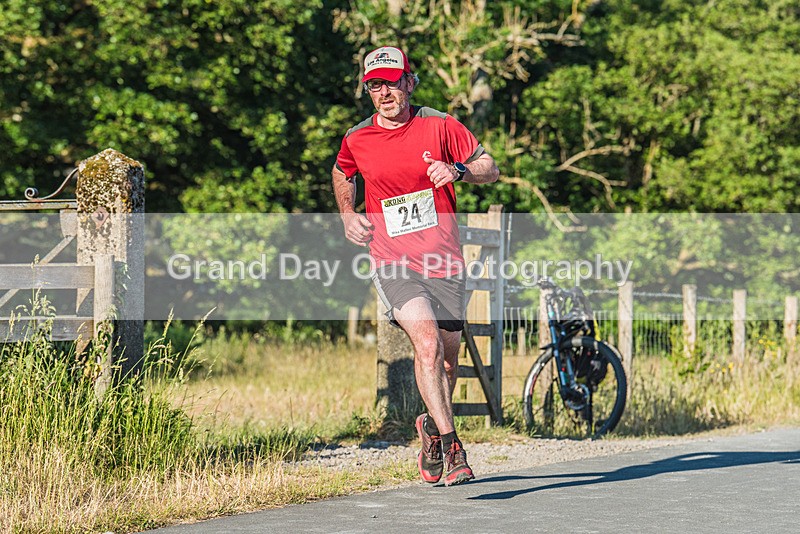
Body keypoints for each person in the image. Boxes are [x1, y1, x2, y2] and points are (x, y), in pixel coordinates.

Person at [332, 45, 499, 486]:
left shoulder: (440, 124)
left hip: (444, 260)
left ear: (409, 81)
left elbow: (490, 166)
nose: (384, 92)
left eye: (391, 81)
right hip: (392, 261)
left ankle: (428, 427)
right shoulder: (356, 138)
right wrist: (348, 214)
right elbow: (342, 172)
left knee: (446, 361)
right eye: (374, 85)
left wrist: (458, 170)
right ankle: (453, 446)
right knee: (425, 344)